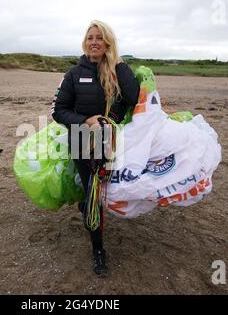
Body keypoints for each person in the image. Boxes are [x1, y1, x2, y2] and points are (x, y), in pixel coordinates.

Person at [51, 20, 139, 276]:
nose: (93, 41)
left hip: (111, 139)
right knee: (94, 193)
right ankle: (98, 249)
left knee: (107, 187)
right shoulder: (73, 74)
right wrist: (85, 120)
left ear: (108, 42)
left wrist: (118, 63)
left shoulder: (117, 70)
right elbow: (59, 111)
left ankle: (88, 206)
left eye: (99, 37)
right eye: (90, 37)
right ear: (84, 42)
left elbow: (132, 98)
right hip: (81, 139)